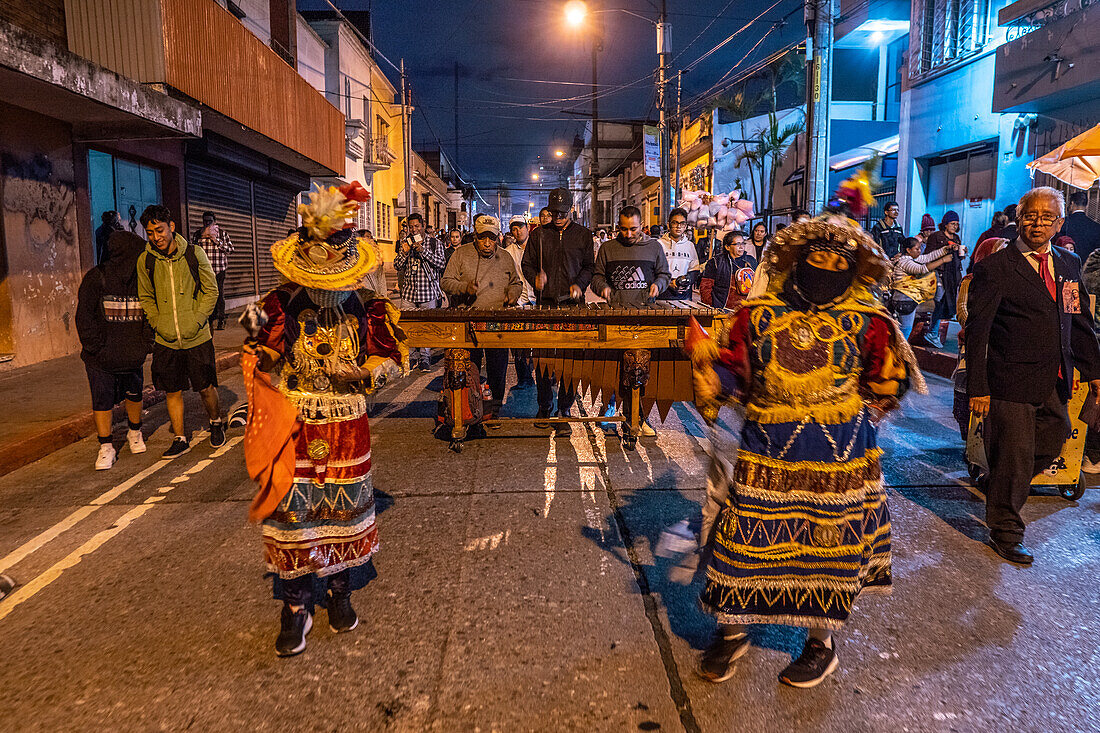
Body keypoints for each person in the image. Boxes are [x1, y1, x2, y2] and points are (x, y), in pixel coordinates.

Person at [691, 210, 918, 688]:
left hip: (840, 458)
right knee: (744, 542)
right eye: (815, 261)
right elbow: (735, 368)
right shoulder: (756, 316)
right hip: (766, 451)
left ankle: (822, 644)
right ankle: (731, 632)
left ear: (853, 269)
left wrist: (862, 405)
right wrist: (714, 378)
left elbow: (888, 383)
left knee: (828, 547)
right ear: (794, 263)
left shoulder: (871, 322)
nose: (824, 271)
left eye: (838, 264)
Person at [244, 182, 405, 656]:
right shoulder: (276, 301)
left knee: (340, 509)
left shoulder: (371, 306)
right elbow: (249, 347)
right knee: (293, 509)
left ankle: (338, 593)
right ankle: (295, 606)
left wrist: (363, 371)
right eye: (314, 246)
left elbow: (395, 357)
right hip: (295, 420)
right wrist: (265, 357)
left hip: (345, 421)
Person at [966, 187, 1100, 565]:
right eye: (1030, 215)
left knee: (1051, 443)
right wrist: (979, 386)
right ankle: (1006, 531)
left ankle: (1000, 485)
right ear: (1018, 219)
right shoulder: (996, 267)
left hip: (1055, 378)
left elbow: (1078, 320)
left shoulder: (1069, 263)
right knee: (1015, 452)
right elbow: (979, 331)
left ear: (1059, 224)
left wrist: (1094, 372)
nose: (1037, 222)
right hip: (1008, 381)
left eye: (1047, 217)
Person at [136, 205, 224, 459]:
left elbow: (212, 291)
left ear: (171, 226)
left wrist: (197, 320)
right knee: (172, 390)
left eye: (160, 230)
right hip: (166, 339)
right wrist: (157, 323)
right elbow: (146, 296)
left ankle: (216, 422)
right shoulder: (147, 260)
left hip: (197, 336)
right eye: (150, 232)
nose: (156, 237)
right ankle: (180, 437)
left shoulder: (194, 254)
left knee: (205, 387)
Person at [591, 206, 669, 439]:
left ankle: (639, 417)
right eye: (623, 229)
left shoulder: (654, 247)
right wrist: (602, 288)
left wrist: (659, 285)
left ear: (641, 224)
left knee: (640, 369)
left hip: (644, 315)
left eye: (633, 229)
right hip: (615, 314)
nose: (627, 234)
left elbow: (664, 275)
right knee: (615, 368)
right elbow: (597, 277)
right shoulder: (607, 248)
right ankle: (610, 407)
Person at [521, 187, 595, 434]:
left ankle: (564, 409)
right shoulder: (539, 235)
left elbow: (589, 267)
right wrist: (535, 279)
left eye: (562, 212)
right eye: (554, 212)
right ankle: (544, 405)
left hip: (573, 307)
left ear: (571, 209)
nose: (558, 217)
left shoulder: (583, 235)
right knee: (543, 360)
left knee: (571, 362)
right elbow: (527, 264)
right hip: (546, 305)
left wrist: (579, 284)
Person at [76, 230, 151, 470]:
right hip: (101, 359)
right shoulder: (96, 277)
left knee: (134, 394)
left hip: (132, 355)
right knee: (102, 400)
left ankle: (134, 433)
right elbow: (84, 317)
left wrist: (145, 344)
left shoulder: (142, 279)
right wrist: (96, 348)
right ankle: (106, 446)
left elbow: (151, 312)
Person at [441, 215, 523, 419]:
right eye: (482, 238)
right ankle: (471, 409)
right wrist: (464, 288)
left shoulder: (505, 257)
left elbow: (516, 283)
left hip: (497, 322)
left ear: (498, 238)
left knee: (498, 366)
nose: (487, 243)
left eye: (492, 238)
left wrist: (512, 295)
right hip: (468, 322)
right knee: (470, 367)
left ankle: (494, 408)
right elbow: (446, 282)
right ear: (475, 237)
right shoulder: (460, 254)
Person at [393, 212, 445, 371]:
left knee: (425, 326)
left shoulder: (435, 243)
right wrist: (404, 252)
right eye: (411, 227)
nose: (414, 230)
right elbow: (397, 265)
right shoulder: (405, 242)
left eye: (417, 226)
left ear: (423, 226)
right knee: (408, 326)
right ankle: (410, 356)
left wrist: (423, 250)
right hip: (409, 292)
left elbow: (441, 264)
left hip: (427, 293)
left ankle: (425, 357)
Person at [889, 236, 955, 338]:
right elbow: (922, 269)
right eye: (917, 249)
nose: (919, 251)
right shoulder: (905, 262)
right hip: (905, 299)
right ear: (908, 250)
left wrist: (946, 249)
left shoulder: (908, 259)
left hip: (905, 299)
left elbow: (928, 257)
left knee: (903, 330)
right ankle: (898, 352)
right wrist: (942, 260)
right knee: (905, 331)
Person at [925, 211, 966, 349]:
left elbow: (957, 258)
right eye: (952, 224)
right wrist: (945, 251)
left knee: (948, 302)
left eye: (956, 224)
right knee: (939, 302)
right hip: (940, 274)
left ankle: (934, 332)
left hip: (953, 275)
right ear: (945, 224)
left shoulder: (957, 238)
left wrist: (962, 253)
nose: (954, 227)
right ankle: (932, 332)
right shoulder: (936, 236)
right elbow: (928, 255)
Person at [505, 217, 536, 387]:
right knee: (518, 342)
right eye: (514, 229)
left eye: (521, 228)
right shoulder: (508, 251)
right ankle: (524, 378)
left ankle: (548, 375)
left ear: (528, 227)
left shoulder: (537, 247)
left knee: (540, 339)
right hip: (519, 300)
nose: (518, 232)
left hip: (537, 299)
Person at [192, 212, 234, 330]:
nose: (207, 223)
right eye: (205, 221)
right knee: (205, 293)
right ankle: (209, 318)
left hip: (219, 269)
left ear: (215, 221)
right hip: (204, 270)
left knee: (219, 293)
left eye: (210, 221)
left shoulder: (222, 234)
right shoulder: (198, 234)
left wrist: (216, 240)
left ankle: (221, 319)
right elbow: (193, 249)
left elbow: (230, 249)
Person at [699, 230, 757, 309]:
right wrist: (713, 304)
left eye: (743, 243)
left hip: (746, 309)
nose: (741, 247)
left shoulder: (751, 261)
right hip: (723, 308)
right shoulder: (716, 262)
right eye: (737, 244)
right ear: (727, 247)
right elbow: (705, 287)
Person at [658, 207, 702, 300]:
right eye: (675, 223)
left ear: (685, 226)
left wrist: (686, 281)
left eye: (682, 223)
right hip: (663, 294)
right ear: (668, 225)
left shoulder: (690, 245)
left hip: (684, 295)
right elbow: (653, 270)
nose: (678, 226)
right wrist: (669, 282)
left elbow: (694, 269)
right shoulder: (659, 244)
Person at [1059, 190, 1100, 261]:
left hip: (1066, 265)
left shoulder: (1063, 223)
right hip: (1087, 269)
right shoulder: (1096, 227)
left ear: (1072, 203)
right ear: (1086, 206)